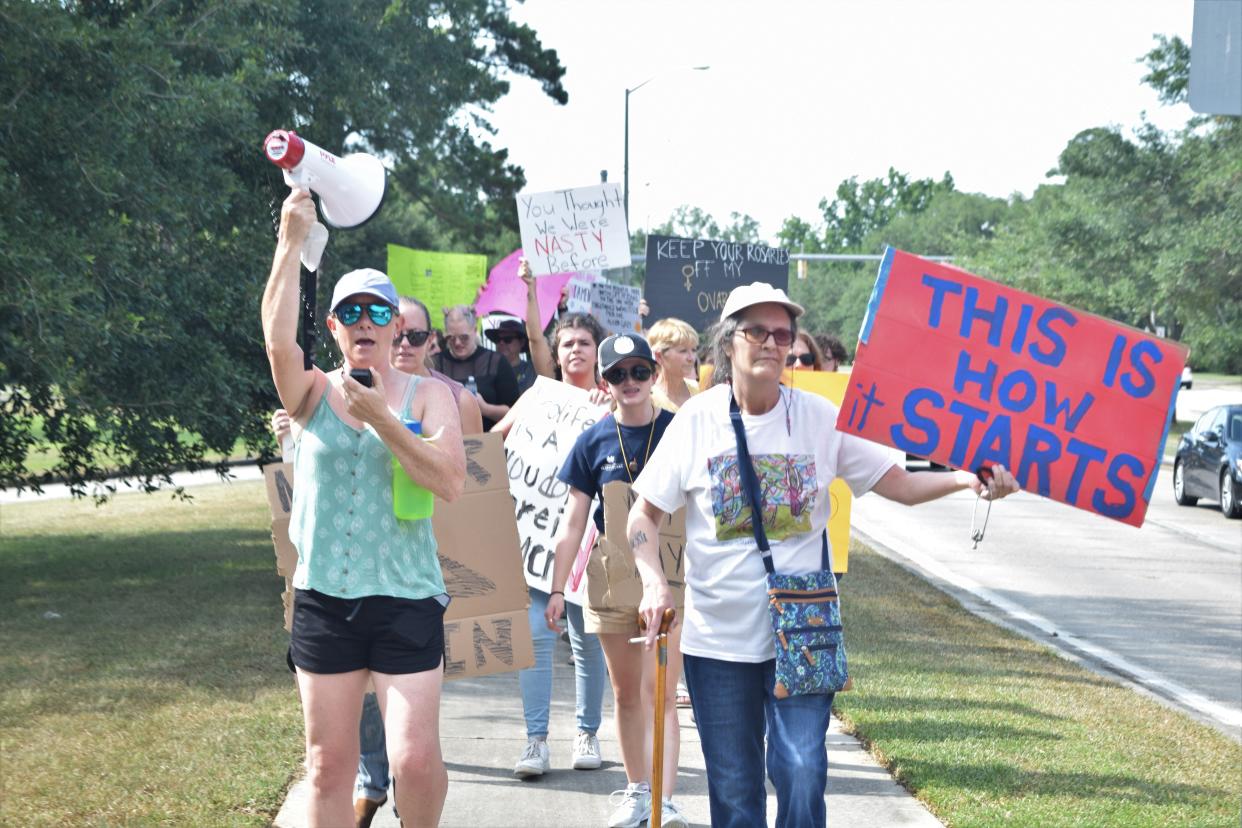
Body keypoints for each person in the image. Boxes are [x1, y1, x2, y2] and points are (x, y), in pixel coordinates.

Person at [625, 282, 1019, 828]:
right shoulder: (696, 421)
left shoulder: (820, 417)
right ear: (729, 341)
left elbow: (898, 484)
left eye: (782, 334)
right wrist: (653, 581)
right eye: (758, 332)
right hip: (717, 645)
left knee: (802, 767)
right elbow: (640, 516)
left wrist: (967, 481)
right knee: (736, 795)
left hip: (806, 631)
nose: (771, 343)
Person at [262, 188, 466, 828]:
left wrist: (385, 420)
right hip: (326, 598)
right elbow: (275, 346)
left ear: (396, 325)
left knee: (414, 759)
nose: (365, 322)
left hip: (405, 599)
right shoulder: (313, 392)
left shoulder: (430, 396)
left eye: (378, 311)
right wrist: (290, 241)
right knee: (328, 765)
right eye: (351, 312)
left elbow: (451, 482)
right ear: (335, 327)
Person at [544, 333, 687, 828]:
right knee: (627, 693)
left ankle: (664, 803)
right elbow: (574, 520)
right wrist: (558, 588)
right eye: (618, 374)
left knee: (661, 692)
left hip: (669, 574)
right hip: (611, 577)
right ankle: (637, 791)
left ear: (653, 374)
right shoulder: (593, 440)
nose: (630, 382)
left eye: (639, 372)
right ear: (605, 383)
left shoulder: (679, 431)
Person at [492, 312, 612, 780]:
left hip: (590, 543)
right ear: (555, 353)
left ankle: (587, 732)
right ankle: (535, 741)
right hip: (537, 541)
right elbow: (495, 441)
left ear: (598, 352)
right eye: (567, 344)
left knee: (587, 640)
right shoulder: (537, 394)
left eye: (585, 342)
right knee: (537, 638)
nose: (575, 350)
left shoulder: (611, 402)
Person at [435, 305, 519, 430]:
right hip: (447, 440)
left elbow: (515, 412)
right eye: (451, 338)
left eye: (464, 337)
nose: (457, 343)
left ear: (474, 331)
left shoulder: (497, 362)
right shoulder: (436, 363)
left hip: (489, 440)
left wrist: (485, 408)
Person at [646, 318, 700, 411]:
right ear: (659, 356)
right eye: (683, 351)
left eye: (694, 350)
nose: (691, 358)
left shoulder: (698, 390)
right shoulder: (649, 399)